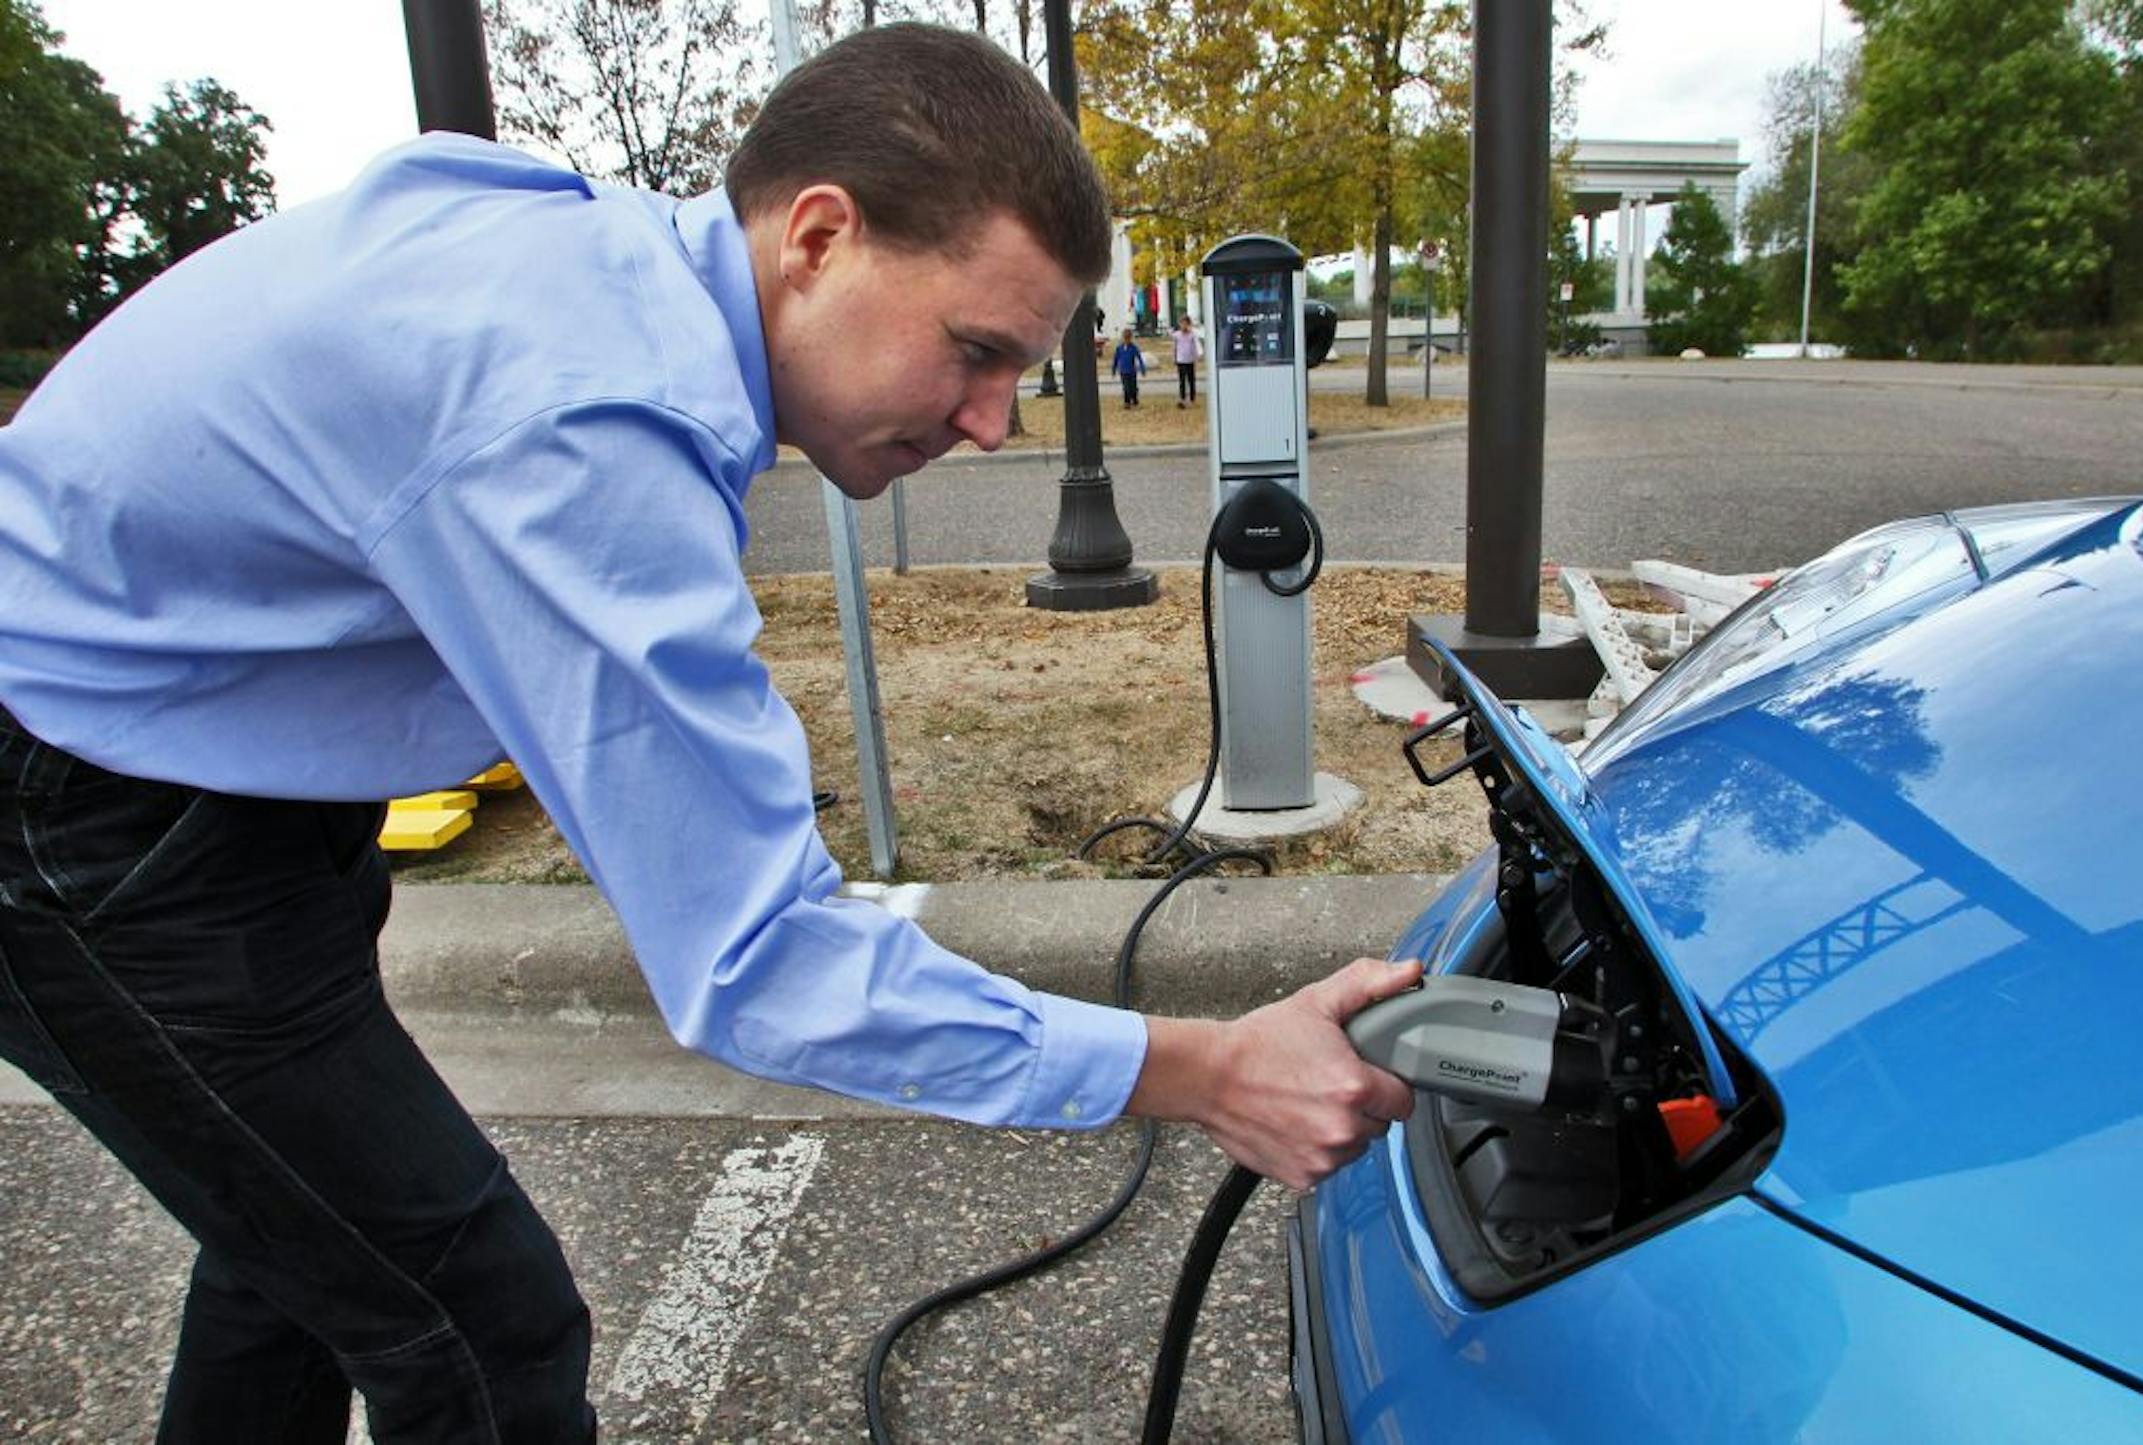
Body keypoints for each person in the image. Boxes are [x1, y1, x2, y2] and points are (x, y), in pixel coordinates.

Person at [0, 23, 1419, 1442]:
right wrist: (1210, 1071)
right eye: (975, 352)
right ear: (818, 237)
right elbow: (757, 957)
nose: (994, 423)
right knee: (483, 1323)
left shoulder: (603, 263)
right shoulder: (588, 416)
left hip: (189, 762)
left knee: (305, 1253)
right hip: (76, 812)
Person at [1172, 313, 1203, 407]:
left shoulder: (1192, 335)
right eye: (1182, 324)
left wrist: (1197, 356)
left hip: (1190, 360)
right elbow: (1174, 347)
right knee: (1182, 381)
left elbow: (1196, 345)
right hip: (1180, 360)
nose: (1184, 326)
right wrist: (1174, 357)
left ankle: (1192, 398)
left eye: (1186, 324)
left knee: (1191, 380)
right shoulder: (1177, 335)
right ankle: (1182, 398)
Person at [1111, 327, 1147, 408]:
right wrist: (1113, 369)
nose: (1127, 340)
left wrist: (1142, 369)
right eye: (1125, 338)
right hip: (1123, 371)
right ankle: (1126, 402)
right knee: (1126, 387)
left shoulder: (1133, 348)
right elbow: (1115, 359)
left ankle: (1134, 400)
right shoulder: (1119, 348)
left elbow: (1139, 358)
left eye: (1128, 338)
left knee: (1133, 387)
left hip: (1132, 371)